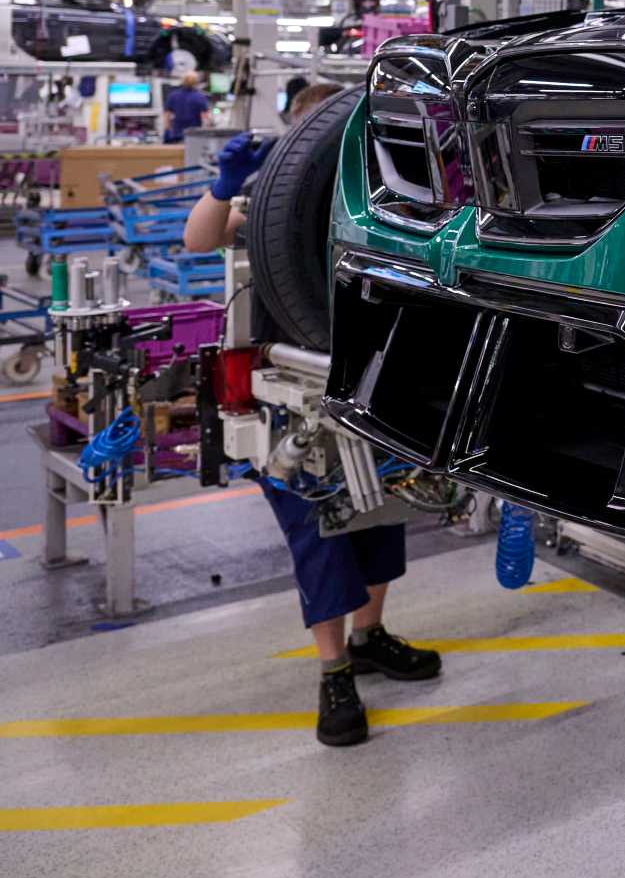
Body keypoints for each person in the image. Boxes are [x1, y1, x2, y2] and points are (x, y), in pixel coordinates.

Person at [185, 81, 442, 747]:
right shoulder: (272, 214)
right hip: (288, 391)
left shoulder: (382, 211)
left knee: (384, 520)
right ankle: (333, 674)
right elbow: (198, 240)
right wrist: (225, 186)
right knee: (320, 540)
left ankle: (370, 638)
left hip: (374, 384)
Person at [162, 71, 209, 143]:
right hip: (194, 134)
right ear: (196, 82)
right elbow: (205, 118)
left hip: (177, 133)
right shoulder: (200, 96)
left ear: (182, 81)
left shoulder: (173, 95)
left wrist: (167, 130)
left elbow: (167, 115)